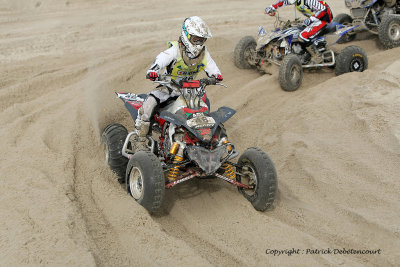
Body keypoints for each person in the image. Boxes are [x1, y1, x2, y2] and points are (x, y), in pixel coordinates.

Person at [135, 16, 223, 151]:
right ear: (186, 35)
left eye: (202, 40)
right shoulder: (173, 51)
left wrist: (215, 77)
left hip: (191, 91)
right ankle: (140, 141)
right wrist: (153, 71)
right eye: (196, 39)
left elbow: (215, 72)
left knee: (206, 105)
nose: (199, 43)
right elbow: (158, 63)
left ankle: (202, 138)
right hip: (170, 87)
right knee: (150, 103)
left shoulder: (204, 54)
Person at [265, 0, 333, 44]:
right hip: (314, 19)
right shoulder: (294, 0)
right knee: (292, 31)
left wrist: (311, 19)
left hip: (323, 19)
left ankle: (315, 52)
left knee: (302, 36)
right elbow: (282, 2)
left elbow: (323, 10)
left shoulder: (309, 0)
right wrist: (271, 7)